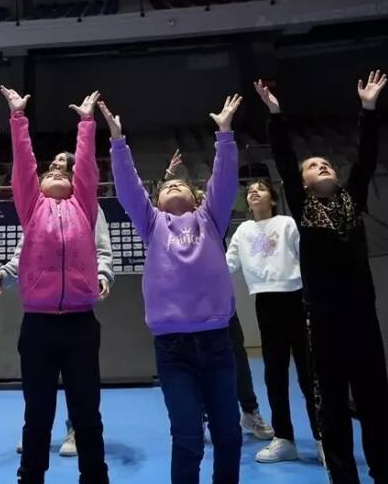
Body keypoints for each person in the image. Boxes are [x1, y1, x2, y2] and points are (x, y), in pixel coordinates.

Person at [255, 71, 388, 483]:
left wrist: (368, 109)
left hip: (362, 319)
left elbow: (367, 158)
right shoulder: (302, 207)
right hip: (322, 323)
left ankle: (387, 475)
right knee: (332, 407)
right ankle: (343, 476)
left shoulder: (353, 200)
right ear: (302, 184)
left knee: (377, 405)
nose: (322, 167)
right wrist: (276, 114)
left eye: (326, 163)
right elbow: (284, 160)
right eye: (313, 166)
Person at [102, 95, 244, 484]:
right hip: (173, 348)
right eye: (168, 185)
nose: (174, 186)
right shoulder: (152, 225)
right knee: (187, 438)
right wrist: (117, 141)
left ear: (198, 197)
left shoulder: (211, 218)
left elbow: (226, 180)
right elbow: (129, 189)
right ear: (158, 200)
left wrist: (225, 134)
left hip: (217, 343)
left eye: (182, 182)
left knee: (229, 435)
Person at [2, 85, 109, 484]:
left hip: (81, 323)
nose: (57, 175)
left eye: (63, 172)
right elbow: (24, 165)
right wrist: (18, 117)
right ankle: (30, 477)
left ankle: (95, 477)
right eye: (51, 173)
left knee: (87, 412)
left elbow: (87, 169)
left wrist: (86, 122)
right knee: (38, 413)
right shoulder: (31, 208)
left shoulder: (84, 205)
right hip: (39, 326)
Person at [0, 150, 115, 459]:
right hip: (41, 315)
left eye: (63, 161)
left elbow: (101, 246)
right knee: (38, 393)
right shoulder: (39, 206)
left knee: (82, 387)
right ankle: (35, 438)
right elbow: (27, 250)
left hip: (77, 311)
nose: (57, 164)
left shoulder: (86, 204)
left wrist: (102, 274)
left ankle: (76, 429)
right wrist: (7, 272)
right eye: (53, 162)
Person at [164, 152, 275, 443]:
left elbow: (219, 187)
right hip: (183, 310)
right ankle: (199, 418)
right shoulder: (162, 227)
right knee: (191, 365)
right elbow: (159, 205)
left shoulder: (212, 219)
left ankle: (249, 411)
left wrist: (222, 143)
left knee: (236, 358)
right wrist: (169, 176)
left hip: (219, 306)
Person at [227, 178, 321, 464]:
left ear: (273, 198)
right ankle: (284, 438)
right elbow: (226, 264)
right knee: (274, 373)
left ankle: (323, 438)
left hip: (296, 299)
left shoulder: (287, 224)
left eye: (261, 188)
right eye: (250, 190)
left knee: (308, 374)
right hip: (265, 304)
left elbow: (306, 259)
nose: (254, 192)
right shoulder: (243, 230)